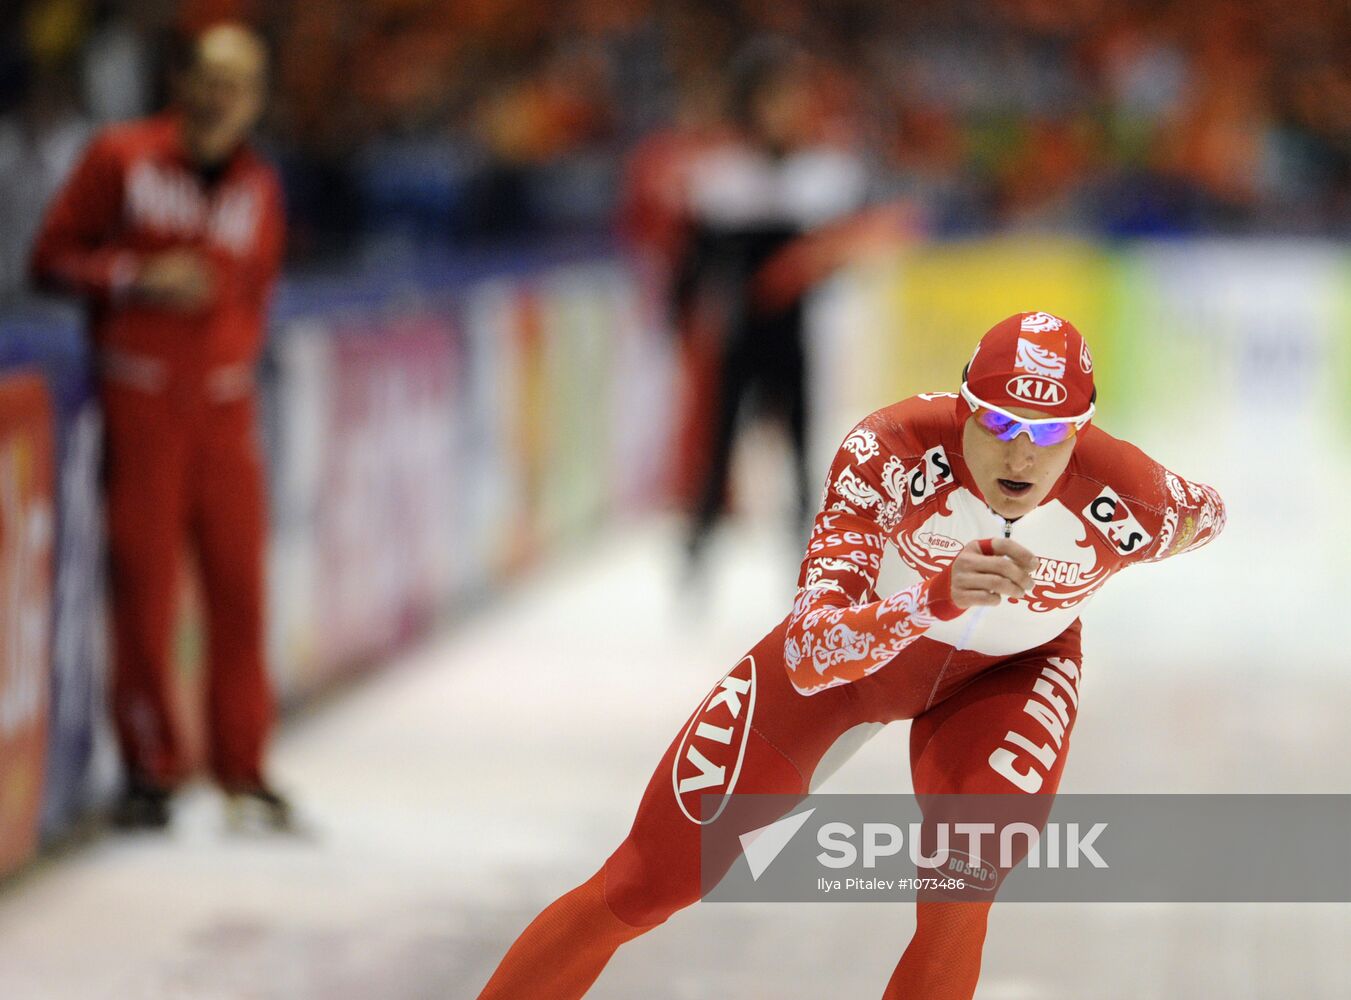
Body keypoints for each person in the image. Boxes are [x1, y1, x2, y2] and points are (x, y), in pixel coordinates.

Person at [476, 310, 1225, 998]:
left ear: (1082, 432)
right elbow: (807, 654)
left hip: (1011, 675)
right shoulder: (889, 450)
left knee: (957, 900)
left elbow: (1208, 515)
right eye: (998, 421)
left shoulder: (1136, 500)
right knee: (646, 883)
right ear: (962, 409)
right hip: (857, 666)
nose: (1020, 453)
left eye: (1050, 431)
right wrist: (933, 597)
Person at [29, 24, 290, 831]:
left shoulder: (260, 186)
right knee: (145, 596)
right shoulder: (122, 158)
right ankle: (151, 771)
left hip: (224, 411)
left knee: (239, 595)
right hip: (140, 405)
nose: (219, 96)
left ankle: (242, 770)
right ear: (183, 80)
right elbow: (49, 260)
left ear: (256, 101)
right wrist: (138, 277)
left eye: (238, 84)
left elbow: (257, 288)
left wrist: (233, 351)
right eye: (209, 77)